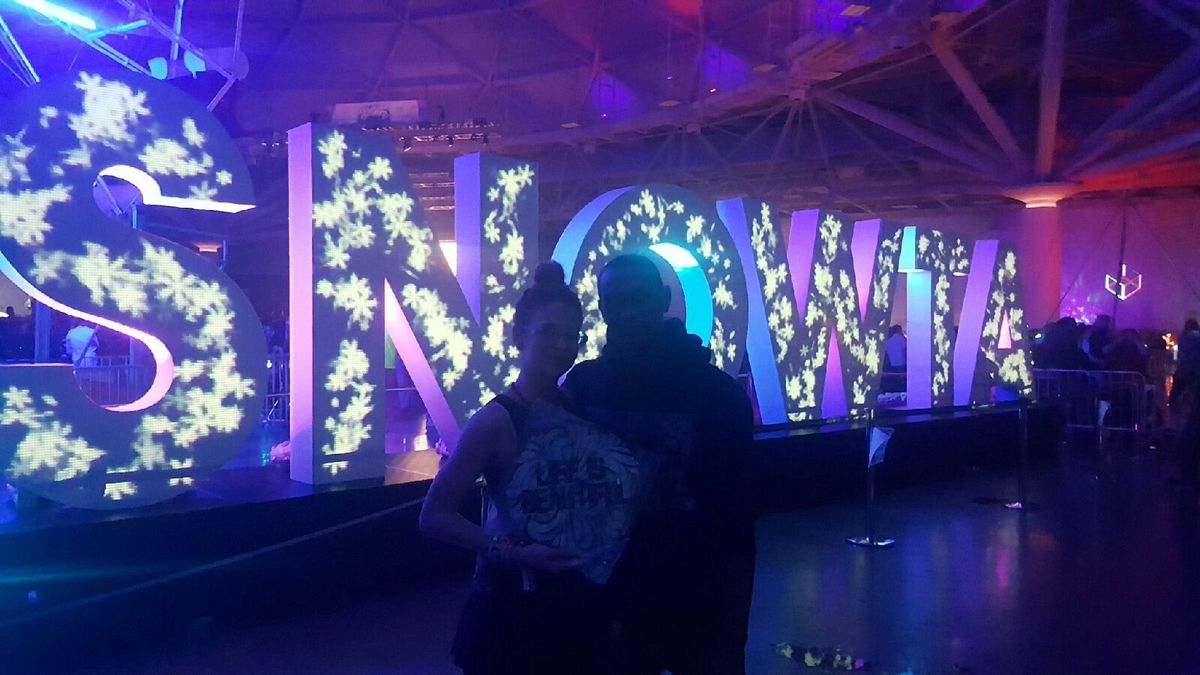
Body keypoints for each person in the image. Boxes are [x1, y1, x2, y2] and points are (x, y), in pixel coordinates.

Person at [420, 262, 644, 675]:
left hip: (574, 607)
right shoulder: (495, 420)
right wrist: (517, 552)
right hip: (513, 611)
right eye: (548, 333)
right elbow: (434, 515)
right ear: (519, 336)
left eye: (571, 335)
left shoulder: (576, 406)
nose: (562, 345)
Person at [562, 253, 756, 675]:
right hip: (610, 602)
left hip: (694, 599)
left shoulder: (718, 396)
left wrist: (731, 639)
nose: (629, 311)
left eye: (639, 297)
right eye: (617, 302)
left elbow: (738, 523)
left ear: (664, 299)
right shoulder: (582, 387)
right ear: (603, 309)